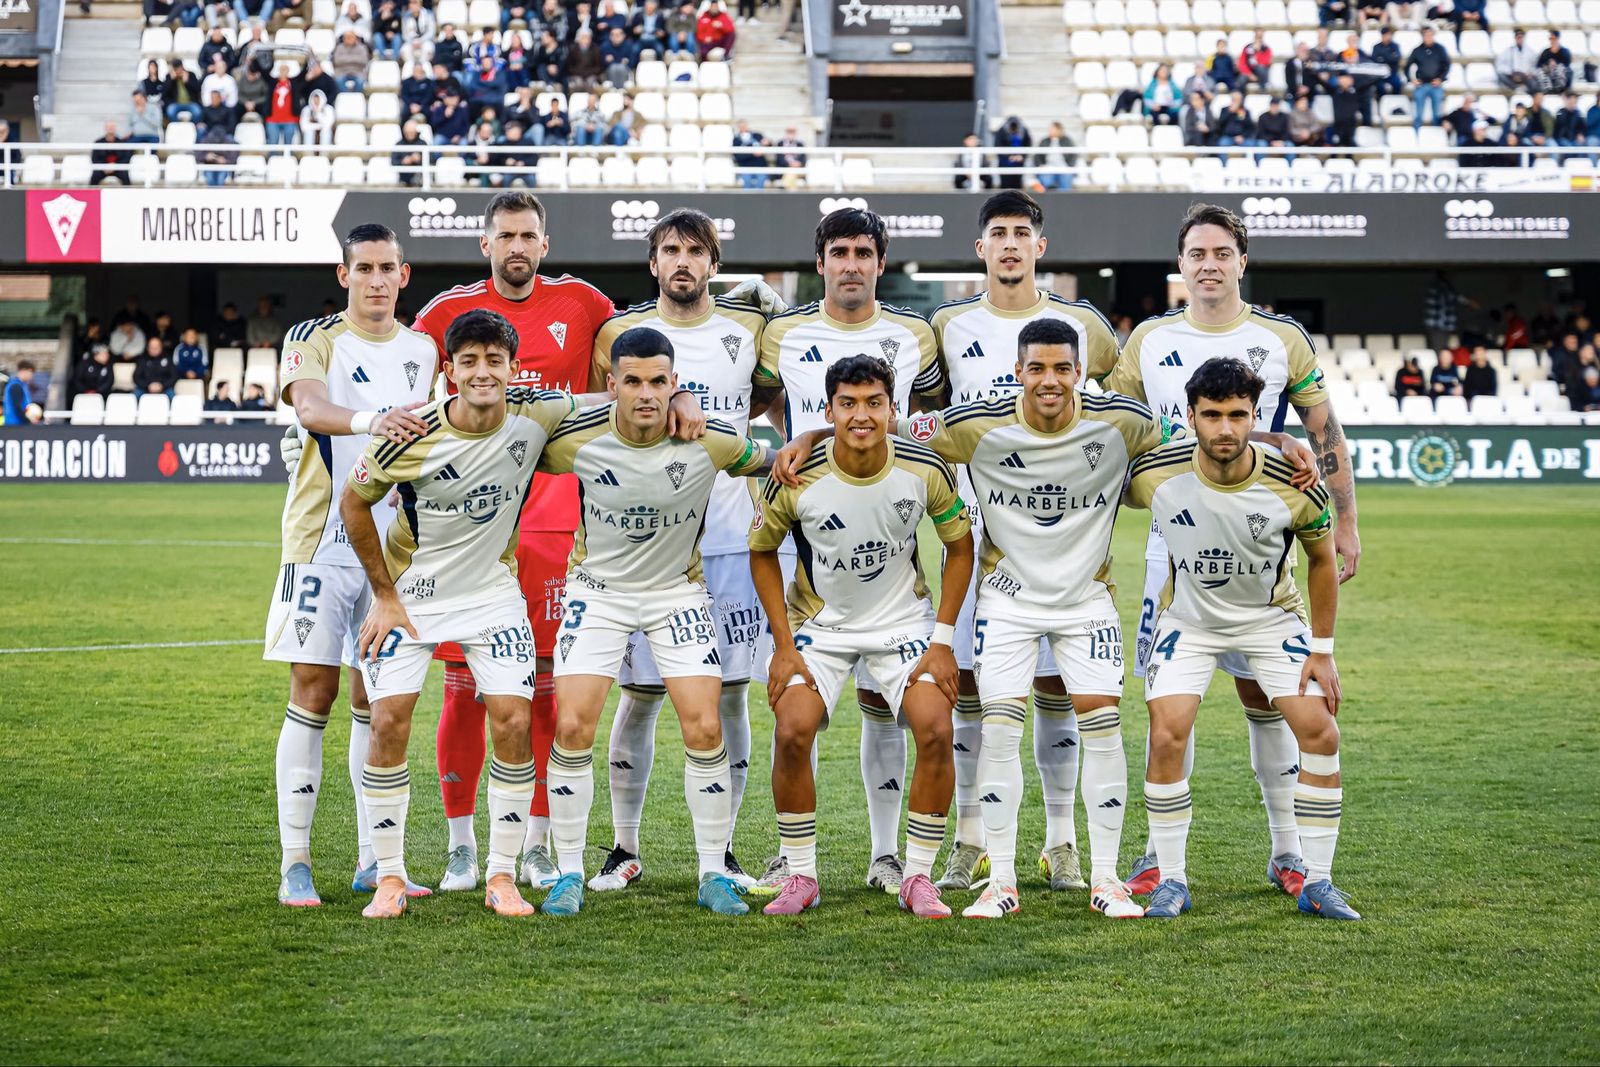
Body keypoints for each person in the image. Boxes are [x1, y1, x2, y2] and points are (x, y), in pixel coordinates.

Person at [1104, 203, 1360, 898]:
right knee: (1167, 715)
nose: (1209, 264)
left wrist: (1345, 521)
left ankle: (1289, 854)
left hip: (1261, 545)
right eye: (1197, 253)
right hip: (1173, 554)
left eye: (1222, 252)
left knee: (1268, 701)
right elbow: (1112, 429)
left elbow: (1322, 431)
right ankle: (1160, 858)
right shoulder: (1149, 339)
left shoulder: (1281, 338)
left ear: (1242, 260)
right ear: (1181, 263)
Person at [409, 191, 620, 893]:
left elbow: (619, 382)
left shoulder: (585, 305)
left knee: (543, 691)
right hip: (466, 532)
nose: (518, 246)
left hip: (555, 523)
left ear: (545, 243)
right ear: (486, 244)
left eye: (529, 234)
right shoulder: (443, 314)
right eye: (506, 235)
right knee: (464, 690)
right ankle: (462, 844)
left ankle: (535, 842)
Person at [339, 312, 580, 920]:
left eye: (494, 361)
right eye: (468, 361)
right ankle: (391, 877)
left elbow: (611, 400)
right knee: (388, 721)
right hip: (412, 597)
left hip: (492, 596)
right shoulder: (409, 433)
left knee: (512, 722)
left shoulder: (536, 416)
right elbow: (354, 502)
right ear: (449, 370)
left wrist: (676, 393)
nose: (482, 372)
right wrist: (384, 594)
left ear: (510, 367)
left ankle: (502, 873)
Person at [529, 326, 766, 917]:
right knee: (573, 728)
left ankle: (713, 872)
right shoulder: (575, 439)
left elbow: (771, 462)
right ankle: (570, 872)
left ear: (674, 384)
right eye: (631, 381)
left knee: (705, 728)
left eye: (658, 382)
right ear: (611, 385)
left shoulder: (708, 441)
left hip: (675, 594)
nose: (645, 394)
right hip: (598, 594)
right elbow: (507, 430)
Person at [922, 191, 1119, 891]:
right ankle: (972, 838)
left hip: (1063, 536)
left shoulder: (1082, 325)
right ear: (981, 249)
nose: (1010, 244)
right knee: (975, 687)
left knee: (1060, 684)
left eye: (1021, 233)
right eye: (997, 233)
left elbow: (1119, 411)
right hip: (975, 534)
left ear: (1041, 246)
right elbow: (926, 418)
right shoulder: (947, 325)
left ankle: (1061, 841)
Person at [749, 207, 948, 895]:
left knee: (895, 711)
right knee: (797, 721)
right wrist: (803, 439)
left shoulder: (916, 334)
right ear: (822, 261)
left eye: (865, 251)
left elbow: (932, 414)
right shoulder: (785, 332)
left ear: (881, 261)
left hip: (890, 555)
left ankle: (893, 856)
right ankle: (796, 863)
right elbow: (762, 401)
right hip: (814, 545)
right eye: (840, 252)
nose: (852, 263)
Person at [585, 210, 776, 894]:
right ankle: (623, 847)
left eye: (696, 250)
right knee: (637, 698)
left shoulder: (748, 330)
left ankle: (721, 851)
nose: (683, 261)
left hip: (726, 540)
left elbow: (771, 409)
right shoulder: (619, 335)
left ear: (714, 263)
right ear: (653, 262)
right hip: (642, 546)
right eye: (671, 250)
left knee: (729, 698)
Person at [1128, 357, 1357, 921]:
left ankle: (1319, 882)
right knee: (1167, 734)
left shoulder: (1294, 482)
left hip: (1270, 620)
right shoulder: (1155, 472)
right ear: (1191, 417)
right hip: (1189, 622)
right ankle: (1172, 881)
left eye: (1238, 416)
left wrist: (1323, 652)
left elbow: (1322, 560)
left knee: (1321, 732)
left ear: (1253, 415)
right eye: (1212, 416)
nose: (1225, 429)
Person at [751, 354, 973, 919]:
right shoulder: (796, 473)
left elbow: (961, 547)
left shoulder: (924, 468)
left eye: (874, 402)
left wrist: (942, 639)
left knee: (936, 727)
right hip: (821, 628)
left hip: (902, 623)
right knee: (793, 730)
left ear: (892, 408)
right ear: (828, 410)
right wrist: (782, 645)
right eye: (847, 404)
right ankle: (801, 875)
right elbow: (760, 554)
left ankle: (918, 877)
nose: (861, 415)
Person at [266, 223, 439, 908]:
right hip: (318, 544)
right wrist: (376, 420)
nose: (374, 279)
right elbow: (308, 405)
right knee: (315, 691)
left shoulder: (424, 349)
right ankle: (296, 862)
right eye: (362, 267)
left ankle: (375, 858)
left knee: (379, 697)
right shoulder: (312, 336)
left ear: (404, 275)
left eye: (386, 268)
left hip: (388, 556)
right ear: (344, 276)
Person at [1407, 26, 1450, 130]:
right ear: (1422, 36)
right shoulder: (1417, 50)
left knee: (1436, 113)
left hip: (1435, 85)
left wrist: (1441, 78)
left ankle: (1435, 133)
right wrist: (1412, 79)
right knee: (1418, 114)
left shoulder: (1440, 49)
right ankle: (1417, 133)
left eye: (1430, 35)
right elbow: (1407, 66)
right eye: (1426, 35)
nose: (1428, 37)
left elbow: (1447, 64)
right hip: (1422, 85)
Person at [1032, 121, 1074, 190]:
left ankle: (1064, 196)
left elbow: (1073, 154)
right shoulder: (1044, 141)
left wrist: (1069, 165)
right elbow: (1037, 155)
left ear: (1058, 130)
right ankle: (1049, 194)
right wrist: (1040, 165)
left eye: (1052, 129)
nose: (1050, 130)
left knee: (1066, 177)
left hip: (1063, 166)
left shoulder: (1067, 141)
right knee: (1046, 177)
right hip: (1048, 166)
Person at [993, 116, 1031, 190]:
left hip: (1019, 163)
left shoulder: (1023, 131)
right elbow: (998, 146)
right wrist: (1009, 156)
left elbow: (1028, 144)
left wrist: (1021, 156)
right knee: (1005, 185)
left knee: (1017, 185)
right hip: (1005, 163)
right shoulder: (1001, 131)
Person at [332, 28, 374, 93]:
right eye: (347, 37)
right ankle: (347, 97)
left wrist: (345, 59)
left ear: (355, 38)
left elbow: (364, 60)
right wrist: (354, 59)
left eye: (351, 37)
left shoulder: (362, 47)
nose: (349, 39)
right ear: (343, 39)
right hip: (341, 72)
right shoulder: (339, 48)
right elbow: (337, 61)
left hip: (358, 72)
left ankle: (356, 97)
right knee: (338, 81)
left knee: (360, 82)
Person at [266, 66, 300, 145]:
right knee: (272, 145)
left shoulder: (293, 83)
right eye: (281, 69)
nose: (283, 72)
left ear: (288, 71)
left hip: (290, 120)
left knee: (288, 146)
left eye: (285, 70)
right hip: (273, 120)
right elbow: (265, 73)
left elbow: (302, 74)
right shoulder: (273, 83)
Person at [163, 59, 203, 123]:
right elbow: (164, 93)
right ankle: (178, 126)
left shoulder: (191, 75)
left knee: (197, 112)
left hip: (190, 102)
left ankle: (191, 125)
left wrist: (187, 82)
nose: (178, 71)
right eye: (175, 69)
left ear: (182, 67)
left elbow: (198, 90)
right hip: (175, 103)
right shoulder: (169, 76)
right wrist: (171, 80)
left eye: (178, 68)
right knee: (170, 111)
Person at [91, 121, 130, 186]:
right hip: (103, 168)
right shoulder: (98, 142)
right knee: (95, 175)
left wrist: (115, 166)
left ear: (115, 128)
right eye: (109, 127)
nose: (111, 129)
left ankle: (128, 194)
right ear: (105, 128)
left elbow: (126, 158)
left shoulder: (122, 142)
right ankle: (90, 194)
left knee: (125, 175)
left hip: (118, 168)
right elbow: (94, 158)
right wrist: (105, 166)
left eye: (112, 127)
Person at [732, 119, 768, 189]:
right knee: (747, 183)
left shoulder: (757, 135)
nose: (743, 128)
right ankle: (748, 199)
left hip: (760, 166)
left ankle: (757, 199)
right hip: (746, 167)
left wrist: (767, 143)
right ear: (738, 127)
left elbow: (768, 145)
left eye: (745, 126)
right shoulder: (736, 140)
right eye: (741, 126)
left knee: (760, 182)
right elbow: (738, 156)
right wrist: (753, 154)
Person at [565, 28, 604, 92]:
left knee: (590, 82)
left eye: (587, 38)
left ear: (590, 39)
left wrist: (587, 73)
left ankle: (590, 101)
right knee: (578, 83)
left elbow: (598, 67)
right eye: (582, 38)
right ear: (578, 39)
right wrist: (579, 73)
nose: (585, 40)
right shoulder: (573, 49)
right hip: (576, 74)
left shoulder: (596, 49)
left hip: (591, 74)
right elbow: (569, 66)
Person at [392, 118, 427, 186]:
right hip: (403, 178)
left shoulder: (422, 144)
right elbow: (393, 162)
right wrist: (403, 161)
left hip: (419, 179)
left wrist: (419, 159)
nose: (410, 134)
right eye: (407, 132)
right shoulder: (399, 144)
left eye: (412, 132)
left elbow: (431, 160)